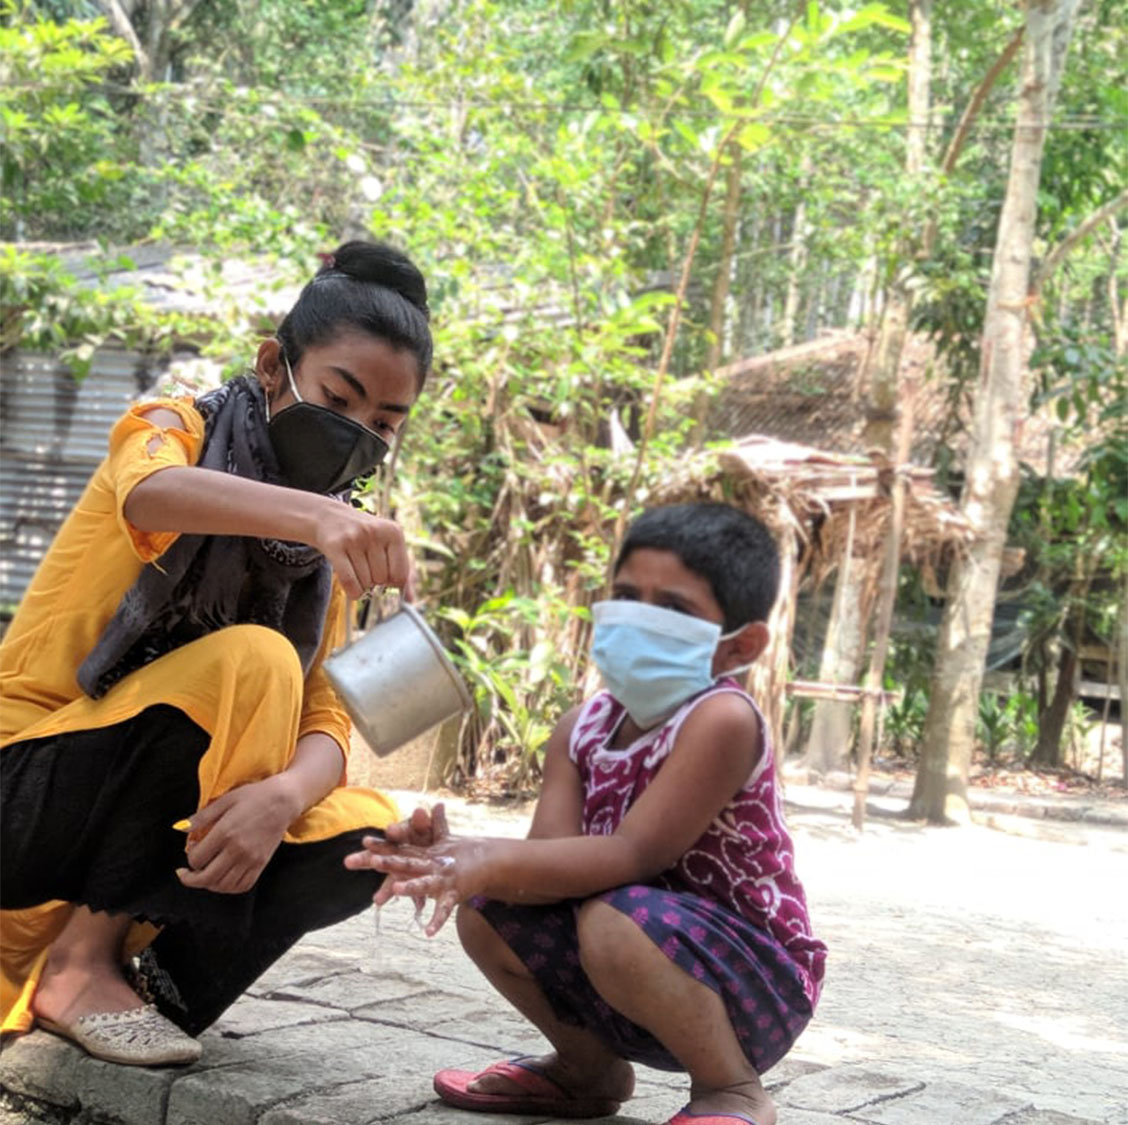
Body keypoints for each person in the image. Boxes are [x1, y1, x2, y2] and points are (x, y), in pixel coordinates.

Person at [0, 240, 433, 1067]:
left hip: (121, 844)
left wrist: (282, 797)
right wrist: (312, 518)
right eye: (339, 398)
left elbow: (328, 717)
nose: (356, 436)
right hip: (24, 794)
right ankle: (78, 963)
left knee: (377, 832)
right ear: (274, 364)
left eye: (382, 424)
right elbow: (147, 493)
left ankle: (146, 974)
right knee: (257, 662)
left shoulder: (323, 550)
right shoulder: (177, 427)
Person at [347, 502, 827, 1125]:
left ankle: (731, 1089)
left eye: (674, 609)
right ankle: (587, 1070)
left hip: (753, 982)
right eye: (627, 596)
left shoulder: (722, 719)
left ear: (741, 644)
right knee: (493, 909)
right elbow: (548, 862)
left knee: (611, 918)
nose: (639, 620)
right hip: (629, 955)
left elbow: (633, 856)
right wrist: (455, 855)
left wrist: (483, 858)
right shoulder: (581, 728)